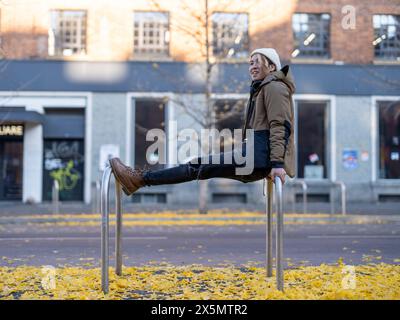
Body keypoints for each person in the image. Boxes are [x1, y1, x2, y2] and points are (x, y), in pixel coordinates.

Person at [110, 48, 296, 196]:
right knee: (197, 166)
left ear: (272, 67)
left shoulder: (274, 87)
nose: (252, 67)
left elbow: (280, 126)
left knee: (196, 166)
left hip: (257, 157)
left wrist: (276, 164)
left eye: (257, 62)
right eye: (250, 63)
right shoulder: (263, 88)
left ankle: (140, 179)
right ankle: (140, 179)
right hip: (254, 156)